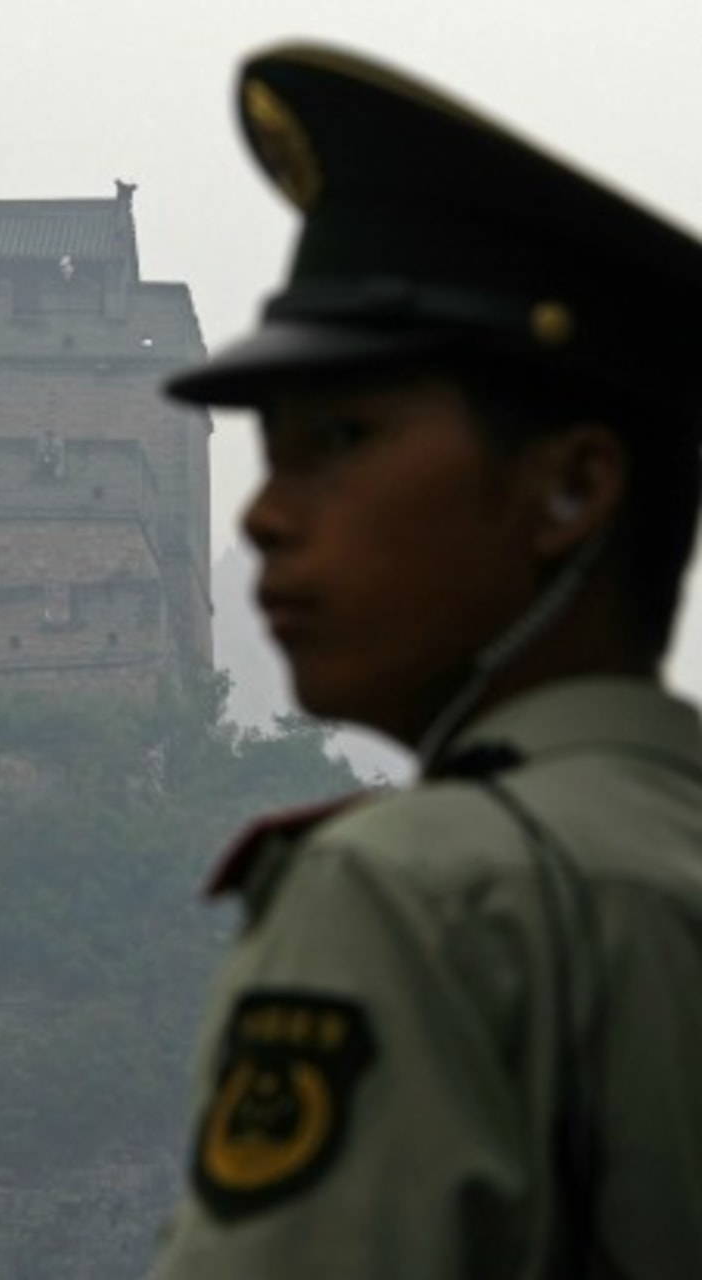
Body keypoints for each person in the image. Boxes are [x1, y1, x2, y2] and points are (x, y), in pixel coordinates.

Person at [150, 43, 702, 1277]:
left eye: (338, 439)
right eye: (268, 452)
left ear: (570, 487)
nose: (259, 517)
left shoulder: (425, 894)